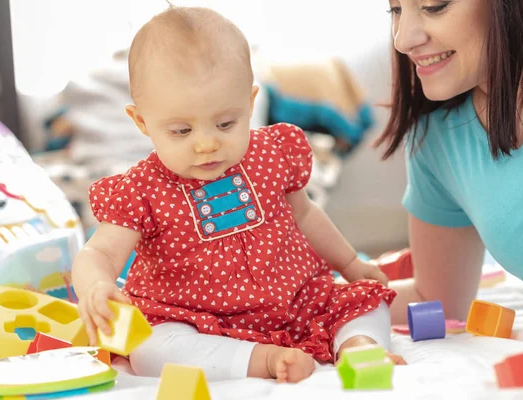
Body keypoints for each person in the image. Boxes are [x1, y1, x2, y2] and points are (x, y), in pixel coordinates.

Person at [72, 5, 404, 384]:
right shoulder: (142, 190)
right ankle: (261, 359)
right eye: (182, 131)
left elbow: (306, 215)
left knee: (366, 301)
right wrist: (96, 286)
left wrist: (349, 264)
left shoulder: (273, 152)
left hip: (294, 298)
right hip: (193, 317)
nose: (207, 144)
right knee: (150, 350)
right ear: (142, 122)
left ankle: (359, 345)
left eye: (226, 123)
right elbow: (99, 251)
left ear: (249, 103)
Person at [376, 0, 523, 324]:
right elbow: (436, 303)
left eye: (434, 6)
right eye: (395, 10)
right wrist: (317, 301)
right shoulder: (436, 139)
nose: (402, 39)